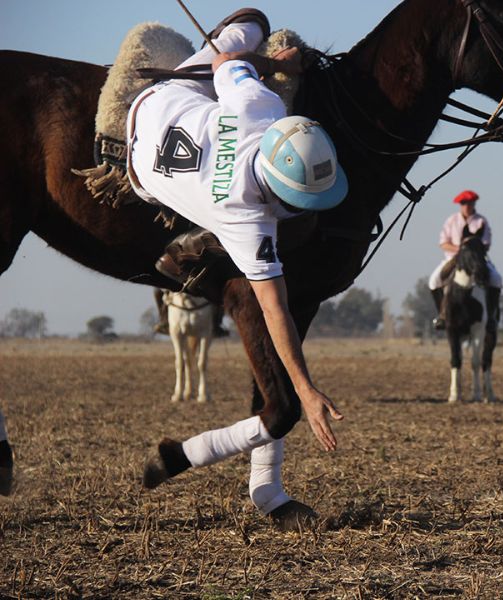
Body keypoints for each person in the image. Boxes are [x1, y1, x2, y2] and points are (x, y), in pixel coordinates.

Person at [128, 9, 348, 517]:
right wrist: (305, 390)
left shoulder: (259, 105)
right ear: (278, 195)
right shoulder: (248, 221)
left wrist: (271, 64)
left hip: (165, 104)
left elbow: (228, 60)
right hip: (142, 166)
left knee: (249, 25)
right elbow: (276, 313)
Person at [428, 190, 503, 328]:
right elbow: (443, 243)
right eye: (463, 203)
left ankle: (491, 316)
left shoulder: (481, 221)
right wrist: (461, 250)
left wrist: (471, 252)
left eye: (469, 203)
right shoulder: (451, 220)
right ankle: (443, 315)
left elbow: (486, 244)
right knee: (433, 281)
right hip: (453, 259)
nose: (467, 206)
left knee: (496, 279)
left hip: (477, 260)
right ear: (460, 205)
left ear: (474, 203)